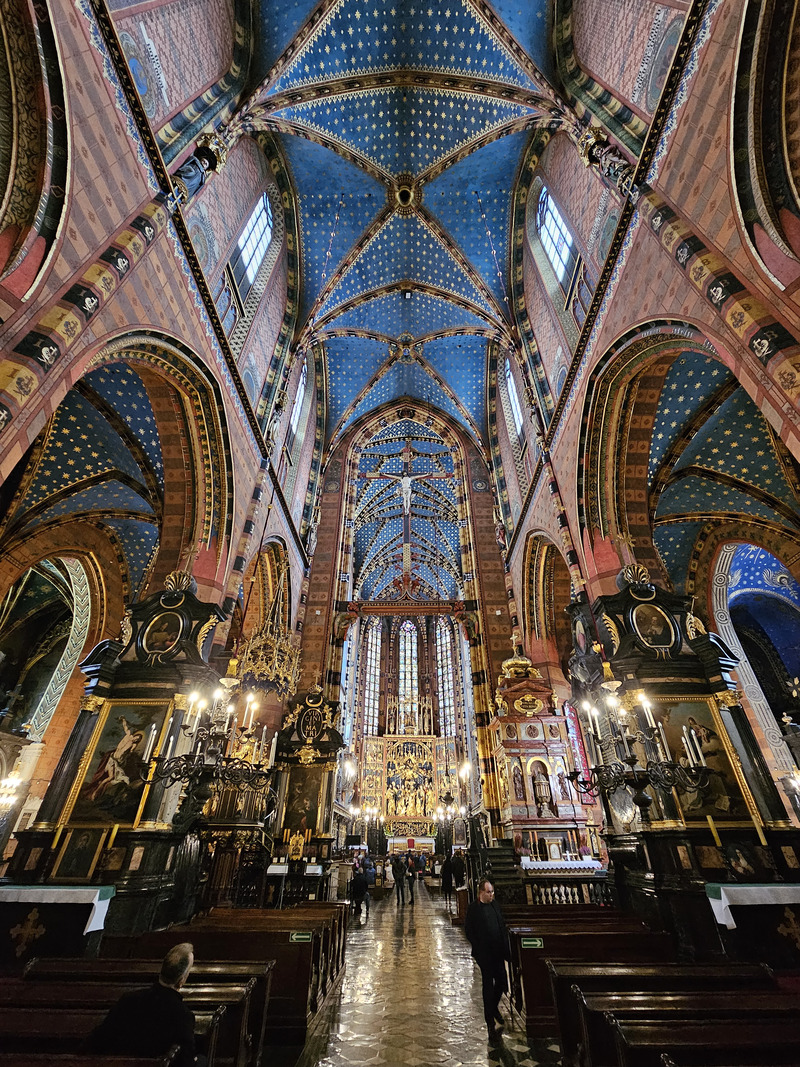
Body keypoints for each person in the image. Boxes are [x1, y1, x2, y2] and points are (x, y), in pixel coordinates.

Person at [88, 942, 200, 1066]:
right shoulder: (182, 1015)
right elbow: (186, 1060)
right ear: (182, 980)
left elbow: (98, 1038)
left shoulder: (128, 1000)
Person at [464, 879, 511, 1040]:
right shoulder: (474, 909)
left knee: (502, 982)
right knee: (488, 987)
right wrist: (478, 948)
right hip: (484, 955)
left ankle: (492, 1008)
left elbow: (502, 925)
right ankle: (490, 1023)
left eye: (492, 892)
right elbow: (468, 930)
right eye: (489, 892)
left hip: (498, 952)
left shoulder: (495, 905)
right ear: (481, 893)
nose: (491, 895)